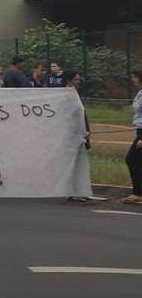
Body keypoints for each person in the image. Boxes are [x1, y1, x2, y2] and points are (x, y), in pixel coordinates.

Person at [61, 69, 91, 202]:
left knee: (79, 162)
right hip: (71, 134)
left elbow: (81, 115)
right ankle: (70, 191)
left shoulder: (74, 94)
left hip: (79, 133)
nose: (79, 81)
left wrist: (85, 131)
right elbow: (67, 116)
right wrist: (81, 131)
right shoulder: (67, 95)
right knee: (71, 162)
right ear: (69, 81)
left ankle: (80, 190)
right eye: (76, 79)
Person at [122, 66, 142, 204]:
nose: (132, 79)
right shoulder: (140, 92)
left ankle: (138, 193)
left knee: (131, 159)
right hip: (139, 130)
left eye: (134, 76)